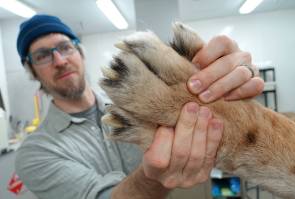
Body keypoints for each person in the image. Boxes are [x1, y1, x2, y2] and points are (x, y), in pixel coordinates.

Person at [14, 14, 264, 199]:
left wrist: (225, 86)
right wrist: (153, 177)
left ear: (80, 52)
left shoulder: (137, 94)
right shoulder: (36, 152)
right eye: (42, 55)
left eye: (65, 47)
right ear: (32, 71)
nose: (59, 60)